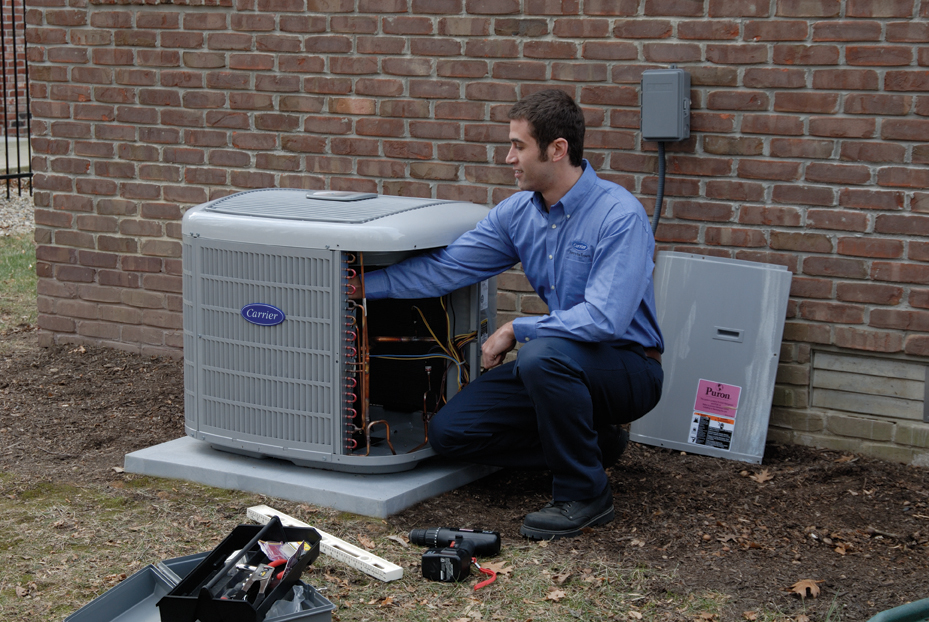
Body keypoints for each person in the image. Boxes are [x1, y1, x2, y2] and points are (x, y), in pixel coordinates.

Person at [354, 89, 664, 540]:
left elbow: (604, 319)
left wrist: (518, 328)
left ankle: (584, 493)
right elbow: (446, 270)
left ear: (557, 150)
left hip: (628, 367)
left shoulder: (618, 216)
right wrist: (362, 287)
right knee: (451, 434)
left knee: (541, 356)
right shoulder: (518, 214)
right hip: (563, 362)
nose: (509, 157)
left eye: (519, 146)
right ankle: (595, 444)